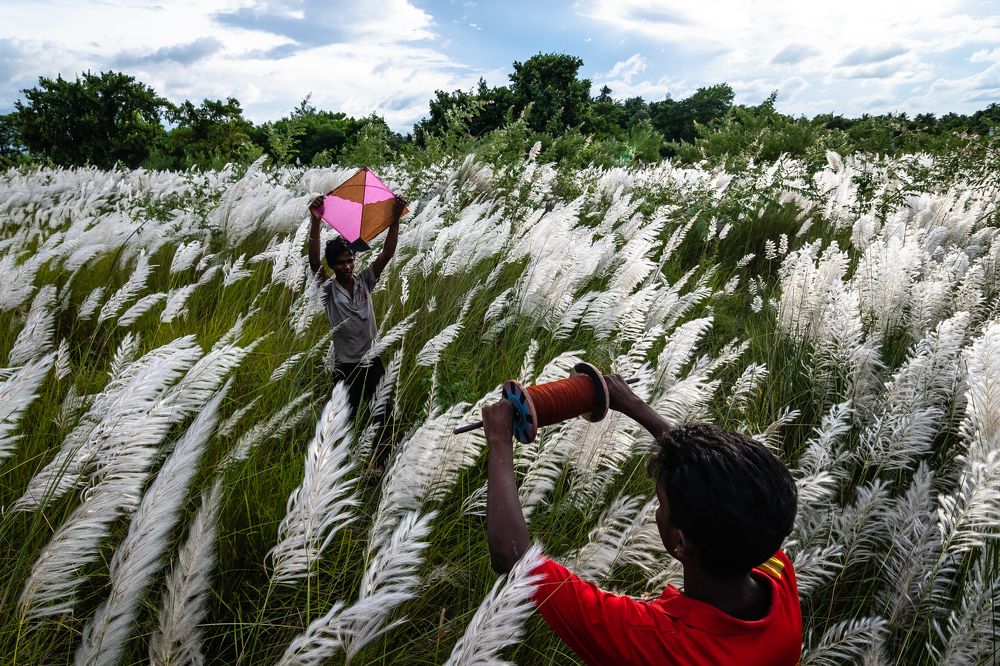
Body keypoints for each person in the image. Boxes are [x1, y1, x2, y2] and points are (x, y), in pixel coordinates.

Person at [482, 375, 801, 665]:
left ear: (680, 540)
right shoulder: (772, 566)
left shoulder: (657, 643)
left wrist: (499, 441)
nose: (655, 511)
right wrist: (632, 404)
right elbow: (728, 492)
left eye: (661, 504)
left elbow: (512, 555)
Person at [308, 194, 405, 422]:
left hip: (372, 361)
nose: (347, 266)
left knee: (382, 416)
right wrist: (315, 221)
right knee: (344, 421)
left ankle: (383, 455)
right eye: (341, 262)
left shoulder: (364, 281)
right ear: (332, 265)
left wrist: (395, 219)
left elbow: (387, 254)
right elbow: (314, 263)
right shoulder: (329, 290)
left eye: (350, 259)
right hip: (346, 366)